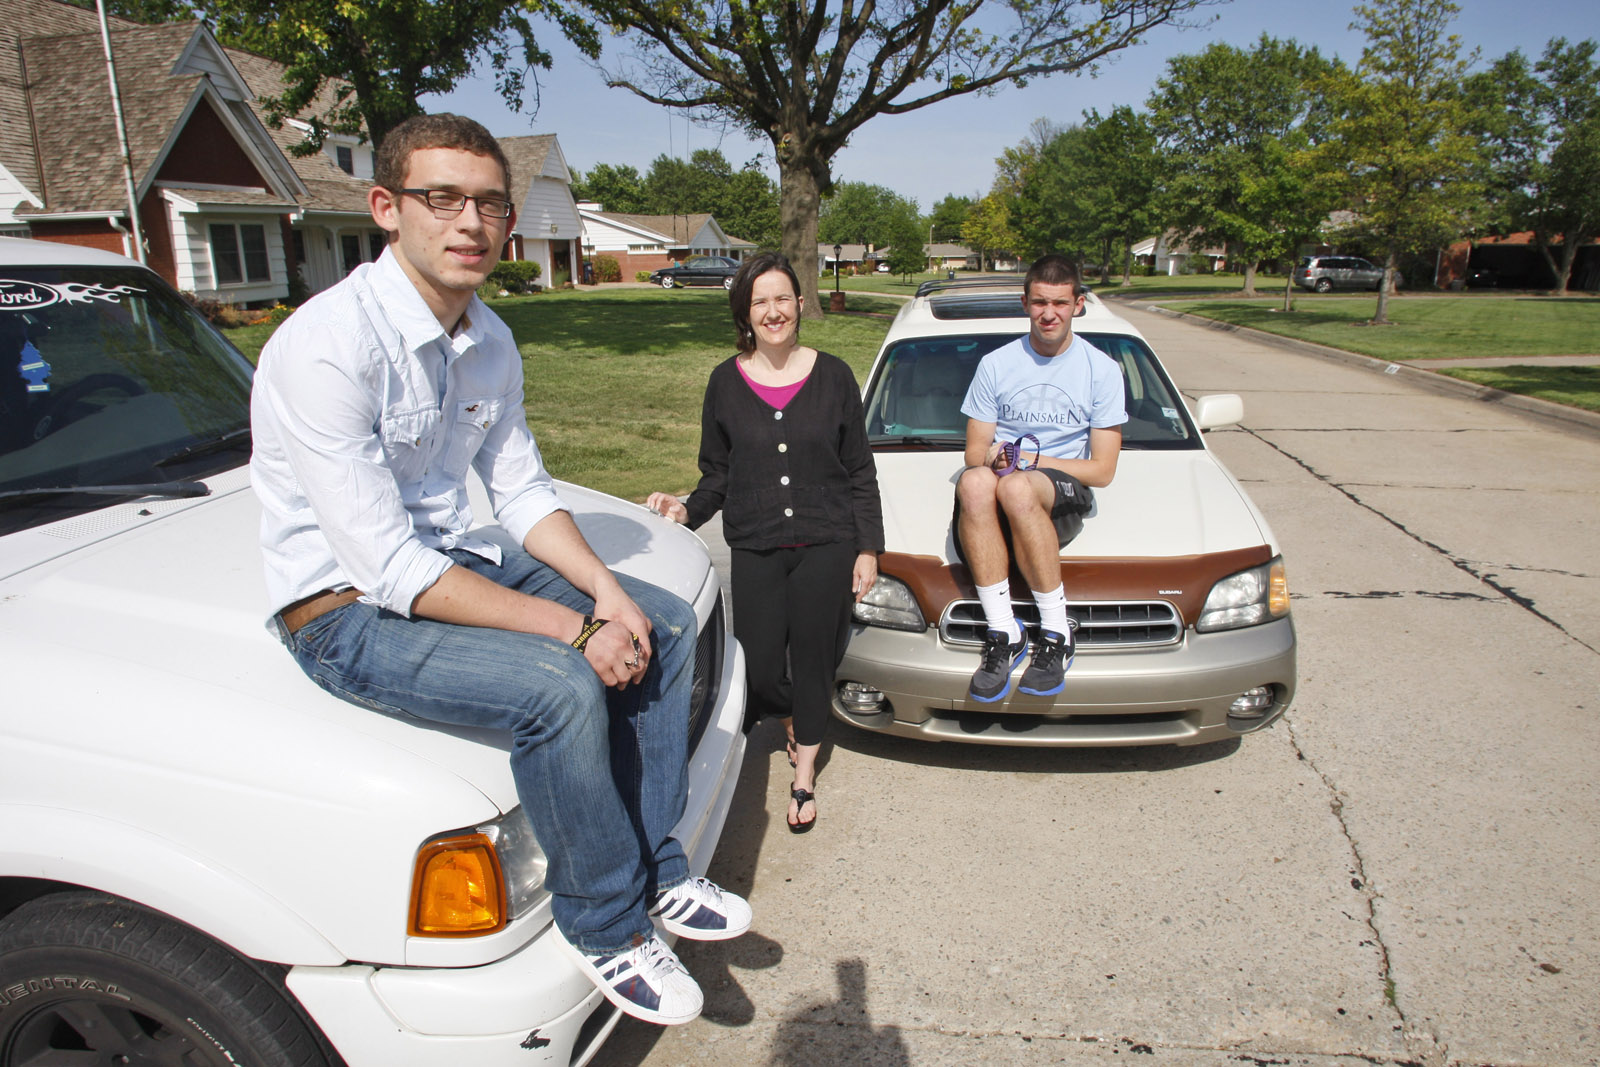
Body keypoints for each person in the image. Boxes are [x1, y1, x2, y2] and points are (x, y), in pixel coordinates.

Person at [249, 114, 749, 1028]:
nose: (469, 221)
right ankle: (604, 923)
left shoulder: (490, 339)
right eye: (440, 197)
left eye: (487, 201)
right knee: (561, 683)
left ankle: (655, 872)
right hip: (343, 612)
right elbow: (388, 567)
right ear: (385, 207)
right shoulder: (327, 347)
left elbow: (520, 491)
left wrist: (604, 591)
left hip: (446, 565)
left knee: (662, 621)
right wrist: (575, 629)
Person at [646, 253, 883, 835]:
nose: (773, 312)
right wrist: (687, 509)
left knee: (813, 653)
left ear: (800, 305)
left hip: (826, 542)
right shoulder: (725, 382)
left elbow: (859, 471)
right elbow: (716, 475)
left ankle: (804, 774)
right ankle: (790, 720)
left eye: (782, 299)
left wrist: (867, 548)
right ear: (745, 314)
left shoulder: (834, 376)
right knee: (754, 662)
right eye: (760, 303)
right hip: (755, 543)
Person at [954, 253, 1127, 703]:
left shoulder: (1102, 370)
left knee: (1014, 484)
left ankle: (1055, 630)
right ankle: (1004, 632)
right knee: (973, 482)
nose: (1048, 314)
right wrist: (995, 454)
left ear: (1079, 304)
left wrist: (1032, 460)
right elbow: (974, 452)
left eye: (1060, 303)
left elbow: (1103, 471)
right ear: (1024, 302)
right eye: (1038, 303)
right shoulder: (996, 364)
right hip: (1005, 481)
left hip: (1061, 488)